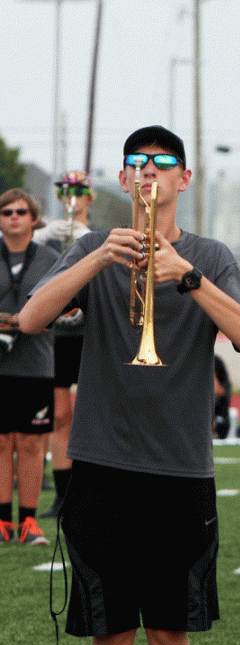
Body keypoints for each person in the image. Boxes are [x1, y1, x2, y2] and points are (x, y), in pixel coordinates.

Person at [20, 125, 240, 645]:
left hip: (180, 468)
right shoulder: (93, 246)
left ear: (184, 179)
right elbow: (33, 318)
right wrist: (98, 260)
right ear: (125, 179)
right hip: (101, 463)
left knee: (169, 631)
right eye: (138, 164)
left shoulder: (211, 255)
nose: (150, 173)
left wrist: (186, 278)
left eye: (163, 164)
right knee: (109, 631)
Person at [34, 171, 94, 519]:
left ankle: (91, 490)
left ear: (90, 197)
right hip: (58, 334)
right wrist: (44, 234)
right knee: (59, 416)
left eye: (80, 191)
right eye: (67, 192)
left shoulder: (94, 235)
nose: (73, 198)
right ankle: (62, 494)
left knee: (90, 414)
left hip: (89, 333)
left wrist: (84, 237)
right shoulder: (53, 235)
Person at [0, 189, 59, 545]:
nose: (13, 217)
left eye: (22, 211)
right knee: (1, 442)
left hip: (36, 362)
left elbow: (64, 305)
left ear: (34, 219)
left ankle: (29, 522)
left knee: (33, 444)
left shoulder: (52, 258)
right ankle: (3, 520)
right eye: (6, 212)